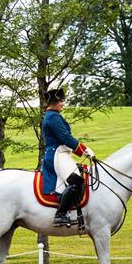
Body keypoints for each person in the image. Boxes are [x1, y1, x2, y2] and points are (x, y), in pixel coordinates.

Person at [41, 87, 94, 227]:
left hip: (61, 153)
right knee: (76, 181)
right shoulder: (53, 117)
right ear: (54, 102)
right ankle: (60, 215)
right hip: (57, 154)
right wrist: (84, 150)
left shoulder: (52, 116)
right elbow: (65, 137)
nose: (63, 104)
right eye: (61, 101)